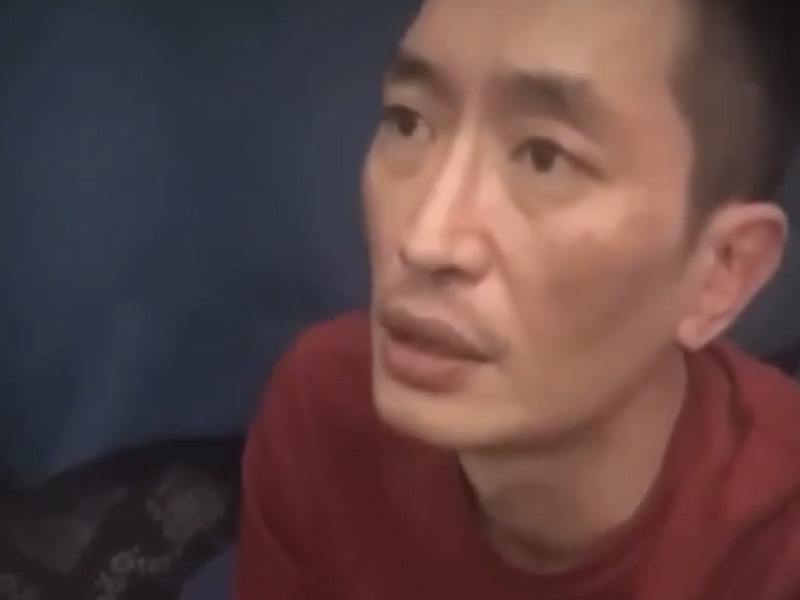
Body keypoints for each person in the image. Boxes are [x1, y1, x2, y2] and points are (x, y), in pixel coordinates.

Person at [234, 0, 800, 597]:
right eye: (408, 121)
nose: (424, 240)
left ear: (722, 271)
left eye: (544, 158)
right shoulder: (323, 409)